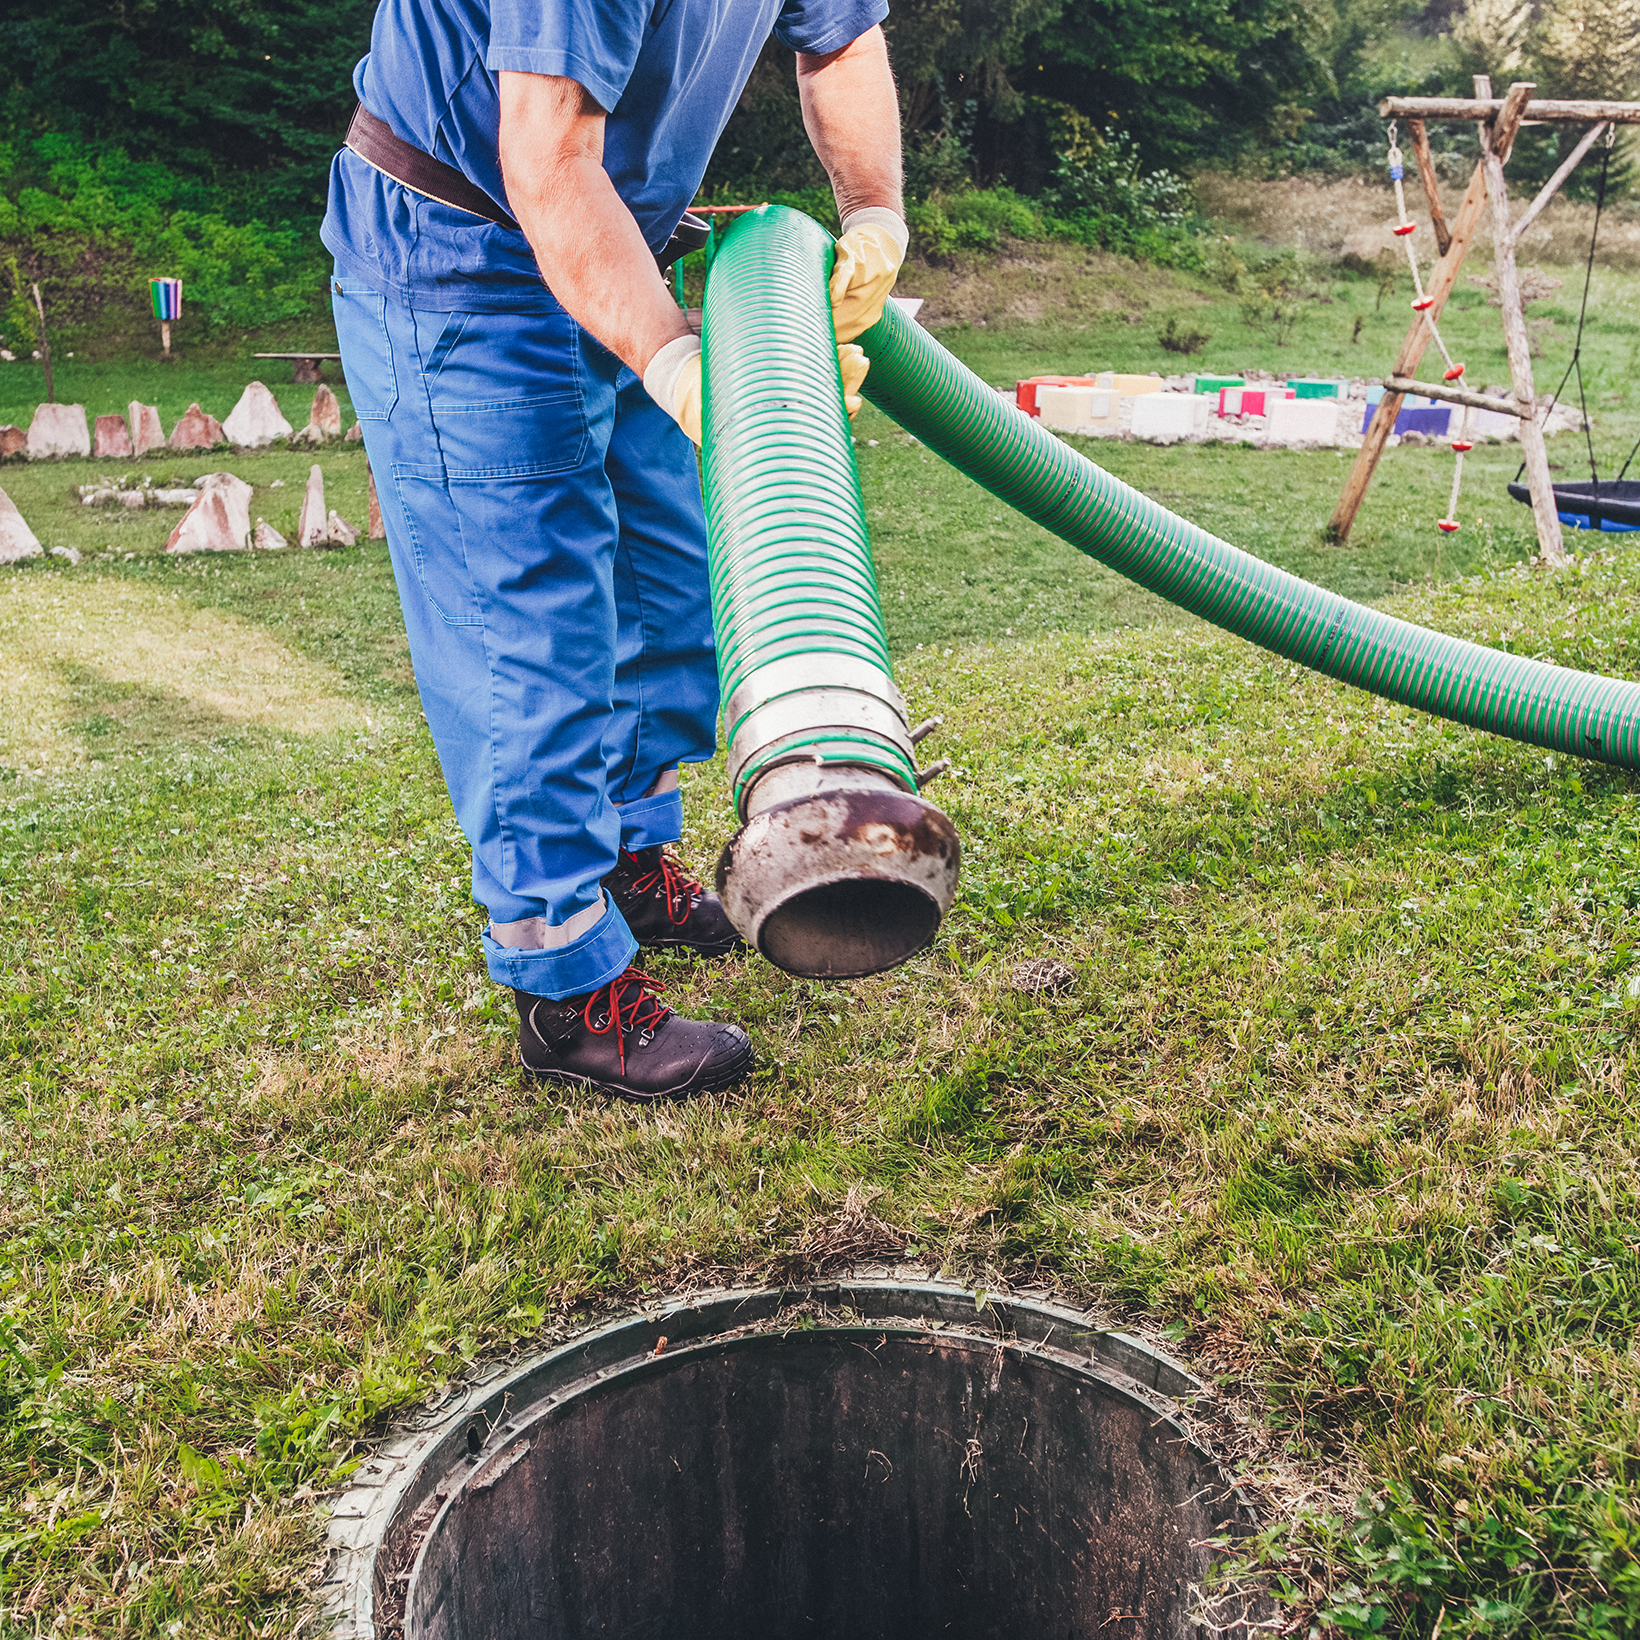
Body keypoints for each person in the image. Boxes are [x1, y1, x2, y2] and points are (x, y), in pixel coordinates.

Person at [322, 0, 907, 1104]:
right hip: (467, 250)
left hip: (620, 237)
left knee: (665, 584)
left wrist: (873, 216)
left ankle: (628, 860)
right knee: (528, 627)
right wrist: (665, 356)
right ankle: (567, 988)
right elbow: (543, 154)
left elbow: (841, 41)